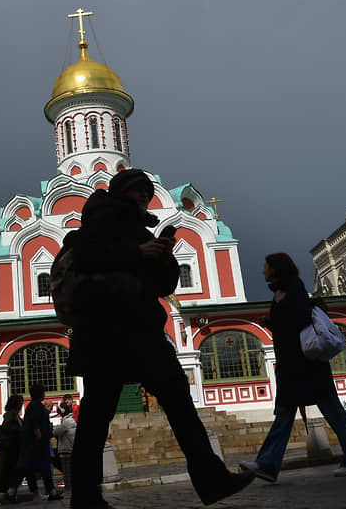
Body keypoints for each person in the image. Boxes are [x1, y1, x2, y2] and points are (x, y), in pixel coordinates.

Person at [61, 169, 254, 508]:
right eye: (134, 191)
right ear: (121, 192)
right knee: (97, 418)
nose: (140, 197)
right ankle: (88, 497)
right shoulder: (103, 216)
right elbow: (89, 255)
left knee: (173, 400)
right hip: (108, 332)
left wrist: (164, 256)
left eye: (145, 192)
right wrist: (140, 253)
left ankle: (212, 479)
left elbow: (162, 286)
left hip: (137, 330)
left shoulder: (139, 227)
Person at [240, 253, 346, 482]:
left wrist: (277, 318)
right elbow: (289, 324)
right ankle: (267, 465)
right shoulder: (280, 292)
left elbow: (300, 318)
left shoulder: (293, 287)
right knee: (284, 414)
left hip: (308, 366)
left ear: (276, 269)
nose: (263, 270)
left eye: (266, 266)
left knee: (333, 413)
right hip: (291, 365)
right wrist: (271, 322)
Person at [9, 385, 63, 503]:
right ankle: (50, 492)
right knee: (41, 468)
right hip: (36, 444)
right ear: (40, 393)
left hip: (32, 444)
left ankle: (15, 492)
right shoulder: (36, 405)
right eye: (43, 391)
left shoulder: (32, 406)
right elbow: (35, 423)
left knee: (26, 469)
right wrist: (39, 434)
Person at [0, 394, 24, 505]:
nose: (21, 405)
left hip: (13, 450)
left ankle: (10, 494)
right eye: (20, 403)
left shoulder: (15, 415)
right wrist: (19, 430)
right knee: (0, 473)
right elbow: (7, 428)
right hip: (8, 451)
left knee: (10, 474)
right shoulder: (10, 415)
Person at [53, 401, 77, 491]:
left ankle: (69, 489)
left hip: (67, 450)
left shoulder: (66, 422)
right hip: (70, 449)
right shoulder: (71, 420)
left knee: (67, 472)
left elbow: (55, 432)